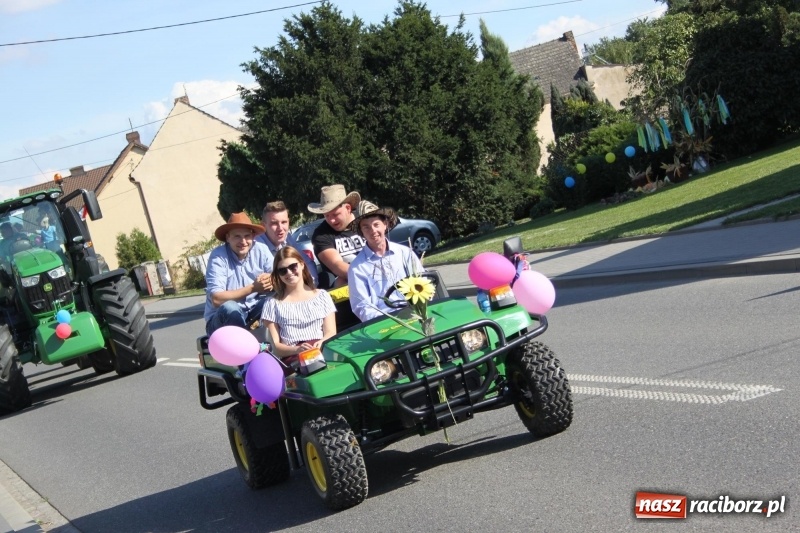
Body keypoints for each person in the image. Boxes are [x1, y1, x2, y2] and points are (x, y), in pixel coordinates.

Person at [347, 201, 423, 322]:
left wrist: (420, 308)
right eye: (366, 227)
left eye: (376, 224)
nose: (373, 231)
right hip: (384, 321)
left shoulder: (405, 253)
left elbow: (422, 283)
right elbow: (361, 306)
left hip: (416, 312)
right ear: (361, 232)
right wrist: (386, 320)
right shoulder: (357, 267)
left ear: (385, 224)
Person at [261, 246, 336, 367]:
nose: (289, 273)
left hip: (322, 351)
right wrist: (297, 349)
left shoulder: (322, 295)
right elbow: (274, 346)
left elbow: (331, 332)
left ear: (301, 264)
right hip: (293, 359)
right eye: (282, 271)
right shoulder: (272, 304)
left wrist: (321, 342)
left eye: (292, 267)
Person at [204, 212, 274, 336]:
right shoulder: (218, 256)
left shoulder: (261, 250)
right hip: (221, 321)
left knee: (274, 301)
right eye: (237, 236)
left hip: (253, 313)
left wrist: (271, 280)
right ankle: (242, 348)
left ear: (253, 236)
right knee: (231, 307)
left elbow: (277, 276)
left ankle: (278, 346)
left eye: (247, 236)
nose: (243, 241)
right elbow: (217, 299)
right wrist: (253, 287)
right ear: (227, 238)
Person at [308, 184, 366, 288]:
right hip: (346, 285)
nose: (331, 220)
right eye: (327, 216)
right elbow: (337, 265)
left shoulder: (365, 222)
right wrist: (368, 277)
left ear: (348, 208)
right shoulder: (320, 235)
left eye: (335, 214)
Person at [255, 200, 318, 287]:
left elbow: (307, 262)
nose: (280, 228)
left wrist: (311, 285)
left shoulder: (287, 238)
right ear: (264, 226)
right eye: (274, 223)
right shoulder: (256, 246)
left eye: (284, 222)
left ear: (288, 222)